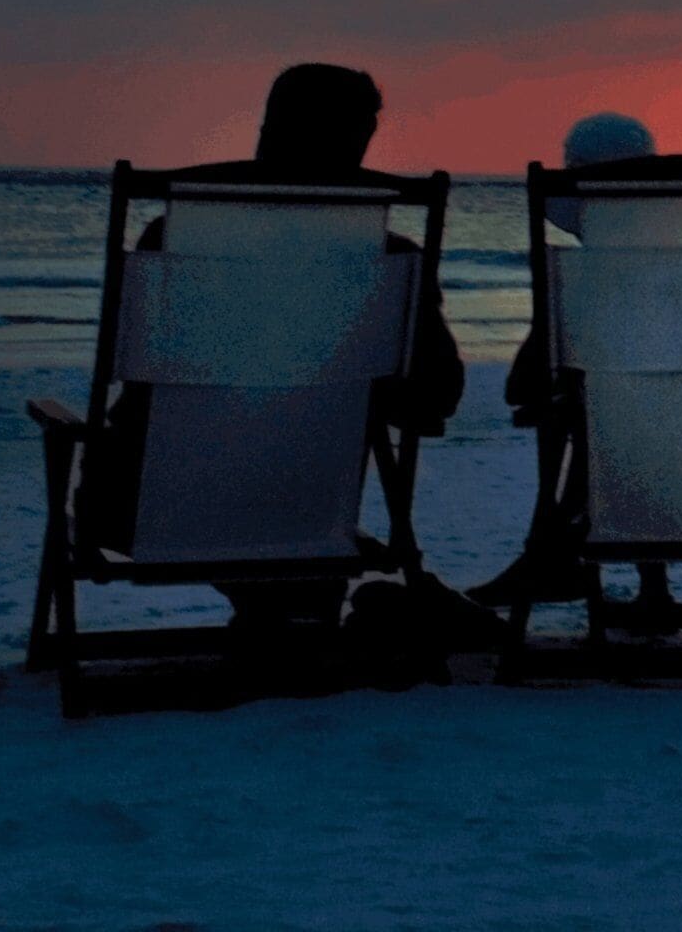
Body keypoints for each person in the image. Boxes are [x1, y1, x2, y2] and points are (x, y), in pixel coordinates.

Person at [74, 62, 464, 631]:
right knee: (296, 594)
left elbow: (130, 371)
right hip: (305, 511)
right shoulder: (391, 259)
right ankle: (294, 609)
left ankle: (284, 612)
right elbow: (436, 397)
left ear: (268, 128)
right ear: (360, 141)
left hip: (144, 508)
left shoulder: (171, 238)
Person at [469, 110, 659, 609]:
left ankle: (545, 556)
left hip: (638, 488)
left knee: (580, 407)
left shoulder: (583, 289)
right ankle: (651, 587)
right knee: (625, 407)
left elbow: (520, 388)